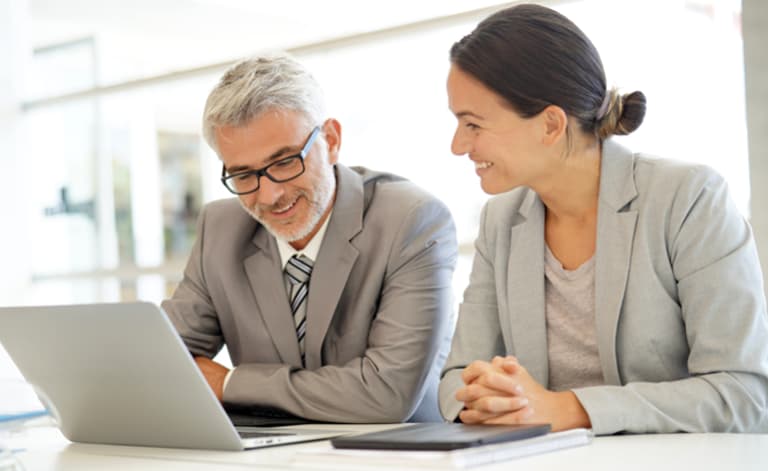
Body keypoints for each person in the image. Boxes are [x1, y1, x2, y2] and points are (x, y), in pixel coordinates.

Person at [438, 4, 768, 434]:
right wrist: (488, 395)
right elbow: (455, 378)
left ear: (551, 125)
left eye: (473, 124)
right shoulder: (501, 221)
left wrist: (571, 409)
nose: (458, 145)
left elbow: (743, 394)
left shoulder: (688, 198)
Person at [162, 53, 458, 423]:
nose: (269, 196)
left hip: (393, 457)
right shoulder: (221, 230)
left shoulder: (410, 221)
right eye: (243, 176)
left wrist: (230, 383)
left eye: (285, 162)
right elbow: (162, 365)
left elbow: (385, 394)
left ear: (331, 140)